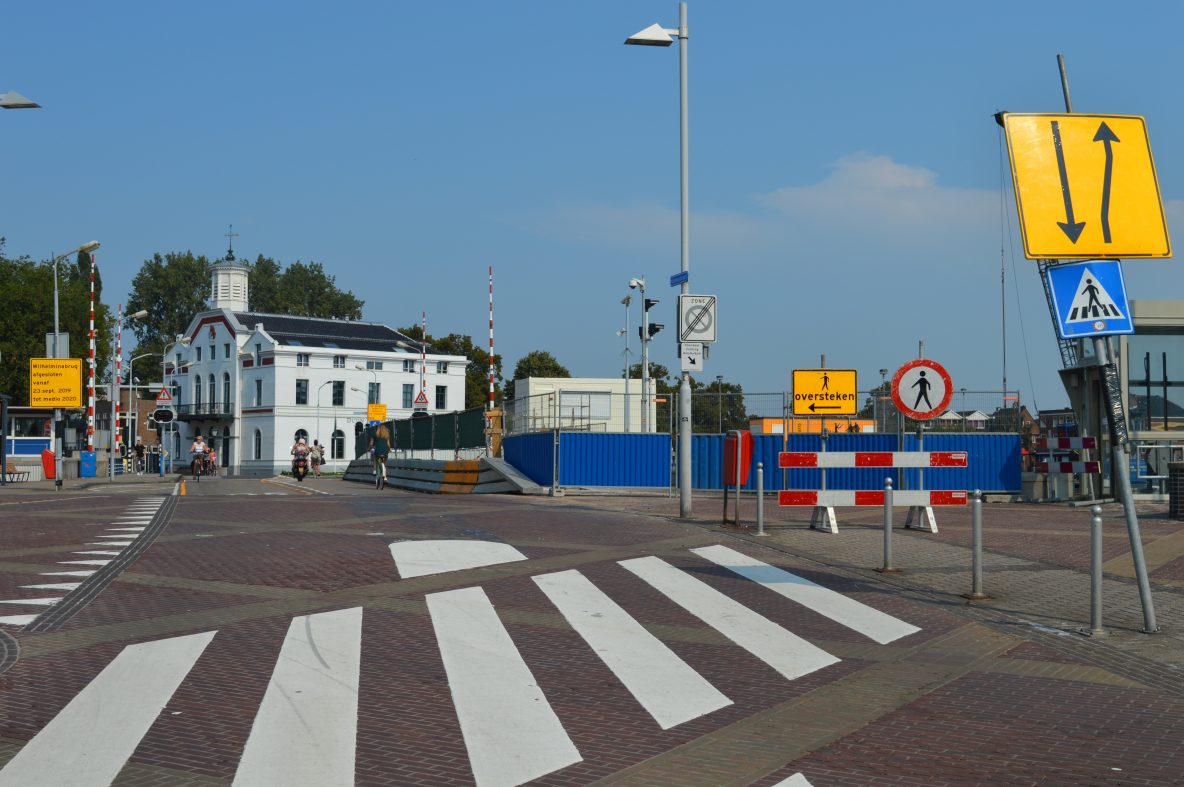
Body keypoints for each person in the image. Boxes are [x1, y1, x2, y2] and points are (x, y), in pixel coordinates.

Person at [368, 424, 390, 489]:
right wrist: (389, 449)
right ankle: (385, 478)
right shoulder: (387, 435)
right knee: (384, 464)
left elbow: (371, 444)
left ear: (378, 429)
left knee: (375, 457)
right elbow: (388, 444)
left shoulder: (374, 435)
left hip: (377, 450)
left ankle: (374, 470)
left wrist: (370, 448)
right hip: (385, 451)